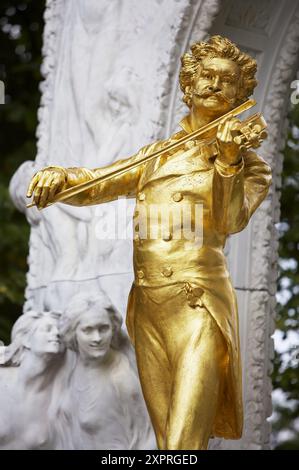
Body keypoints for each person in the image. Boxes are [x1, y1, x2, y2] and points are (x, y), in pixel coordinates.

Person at [26, 35, 272, 449]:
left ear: (239, 94)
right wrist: (61, 177)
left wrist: (228, 161)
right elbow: (98, 182)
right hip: (148, 308)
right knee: (164, 442)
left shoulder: (250, 164)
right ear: (189, 86)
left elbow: (230, 221)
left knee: (182, 445)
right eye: (205, 76)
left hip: (199, 303)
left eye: (225, 80)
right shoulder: (157, 155)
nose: (214, 84)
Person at [55, 292, 155, 450]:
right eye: (88, 330)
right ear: (73, 333)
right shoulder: (70, 363)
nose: (97, 338)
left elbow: (154, 436)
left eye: (103, 328)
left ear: (113, 328)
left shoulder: (122, 379)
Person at [0, 311, 64, 449]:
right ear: (26, 340)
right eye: (47, 329)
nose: (56, 333)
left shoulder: (60, 392)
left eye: (58, 330)